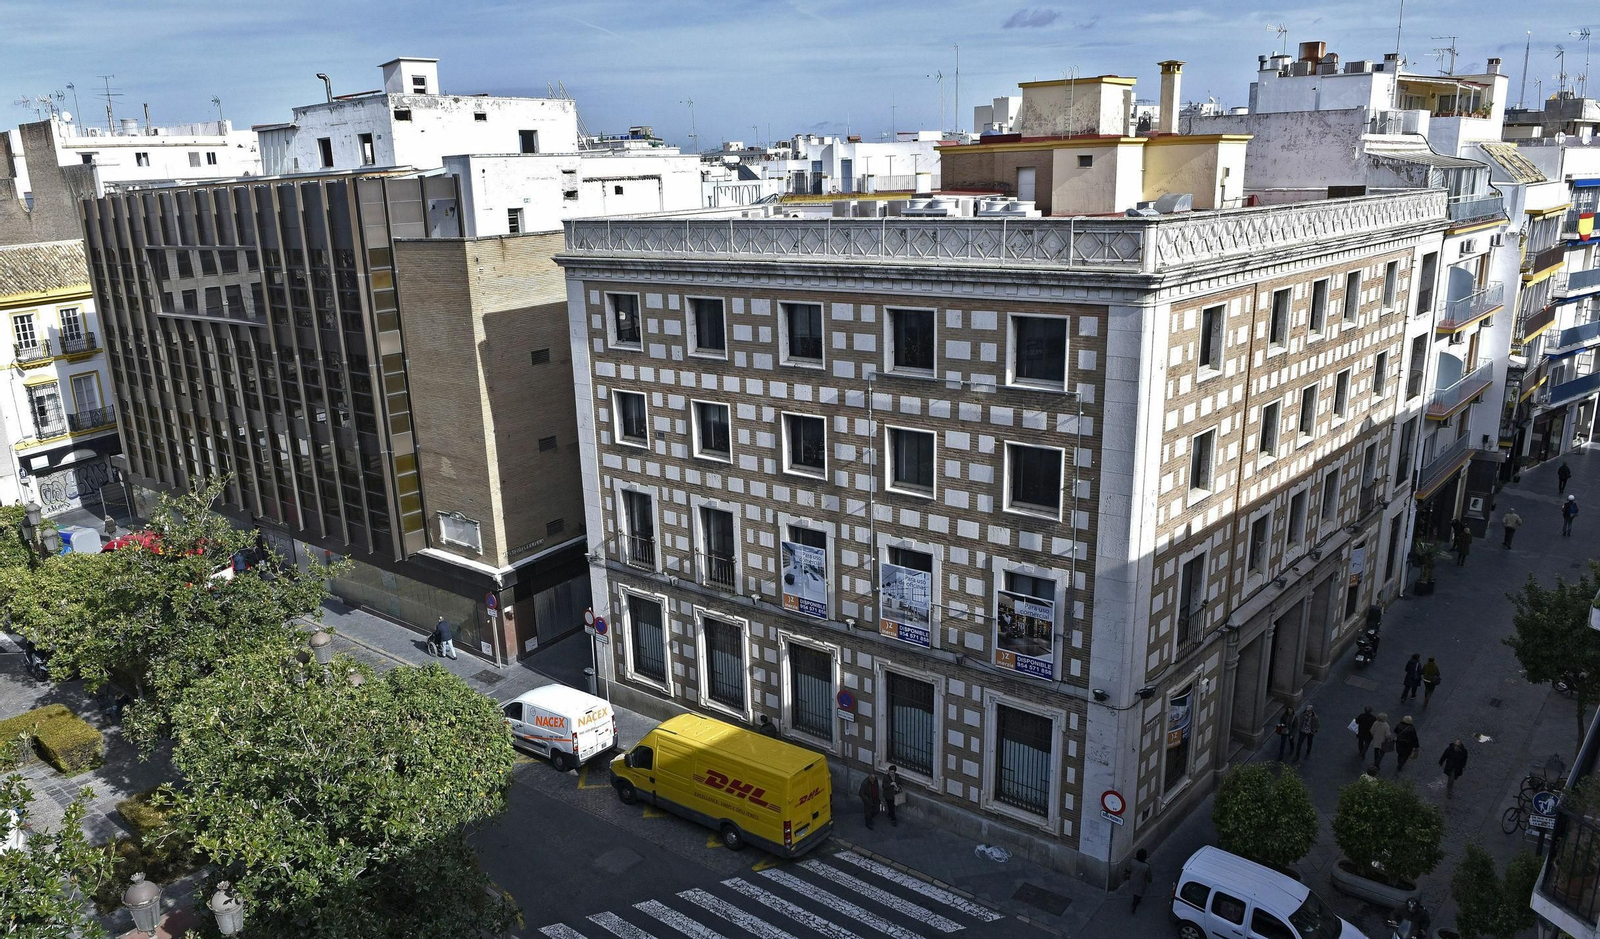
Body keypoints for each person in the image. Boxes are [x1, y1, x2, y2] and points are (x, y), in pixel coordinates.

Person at [1126, 848, 1153, 914]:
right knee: (1138, 894)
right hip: (1141, 883)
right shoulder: (1146, 866)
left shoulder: (1132, 861)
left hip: (1133, 880)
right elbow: (1149, 878)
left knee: (1135, 893)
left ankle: (1134, 903)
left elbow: (1129, 869)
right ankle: (1134, 905)